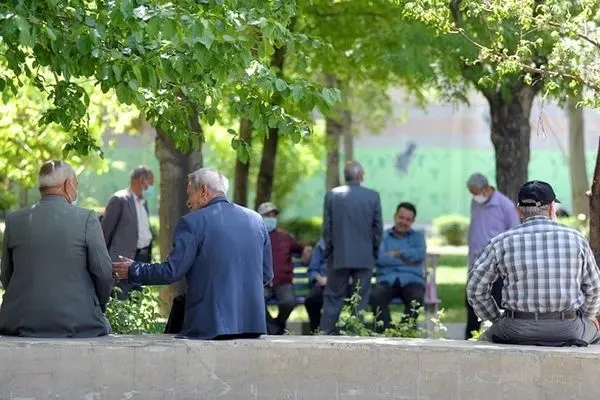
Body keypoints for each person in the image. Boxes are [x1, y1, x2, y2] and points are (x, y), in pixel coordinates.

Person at [112, 167, 273, 340]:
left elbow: (171, 272)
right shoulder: (256, 220)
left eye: (189, 194)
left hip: (210, 327)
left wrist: (132, 269)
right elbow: (266, 274)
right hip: (253, 326)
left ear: (203, 190)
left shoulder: (192, 223)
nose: (188, 202)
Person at [468, 180, 600, 346]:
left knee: (483, 341)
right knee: (595, 331)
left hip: (515, 329)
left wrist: (495, 318)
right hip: (568, 328)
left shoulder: (501, 242)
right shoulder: (576, 239)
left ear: (520, 211)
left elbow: (475, 289)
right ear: (552, 208)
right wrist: (586, 316)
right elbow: (595, 289)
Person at [0, 160, 112, 337]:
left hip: (17, 321)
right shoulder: (87, 219)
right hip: (79, 322)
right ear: (68, 185)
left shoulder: (14, 221)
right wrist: (99, 306)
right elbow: (104, 273)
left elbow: (7, 276)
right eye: (76, 184)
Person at [320, 161, 383, 334]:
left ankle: (325, 334)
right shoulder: (373, 196)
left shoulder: (332, 196)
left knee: (333, 298)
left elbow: (327, 229)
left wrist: (328, 253)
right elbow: (377, 229)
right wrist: (374, 252)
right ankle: (356, 335)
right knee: (360, 300)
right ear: (360, 175)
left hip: (338, 256)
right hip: (364, 257)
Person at [465, 172, 519, 339]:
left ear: (486, 189)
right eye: (472, 193)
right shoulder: (476, 203)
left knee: (494, 302)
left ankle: (495, 337)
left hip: (496, 266)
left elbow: (515, 233)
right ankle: (470, 338)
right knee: (471, 304)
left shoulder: (505, 205)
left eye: (477, 192)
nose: (475, 196)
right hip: (475, 262)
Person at [370, 202, 426, 331]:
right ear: (395, 216)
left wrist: (398, 253)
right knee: (375, 296)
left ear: (412, 221)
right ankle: (386, 332)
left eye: (408, 219)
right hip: (387, 279)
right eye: (401, 217)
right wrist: (407, 260)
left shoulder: (418, 236)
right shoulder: (382, 236)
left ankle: (404, 331)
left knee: (416, 299)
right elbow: (380, 259)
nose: (403, 222)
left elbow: (420, 254)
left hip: (412, 280)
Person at [101, 166, 155, 299]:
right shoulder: (120, 199)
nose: (152, 187)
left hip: (141, 260)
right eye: (150, 183)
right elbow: (105, 233)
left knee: (136, 301)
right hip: (122, 261)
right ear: (141, 180)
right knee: (120, 299)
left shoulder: (144, 203)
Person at [258, 202, 311, 334]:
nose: (271, 218)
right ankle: (273, 328)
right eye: (267, 215)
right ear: (260, 217)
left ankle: (276, 326)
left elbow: (300, 248)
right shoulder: (254, 235)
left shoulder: (285, 236)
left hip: (283, 282)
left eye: (273, 215)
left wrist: (306, 251)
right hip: (261, 282)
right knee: (257, 302)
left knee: (288, 302)